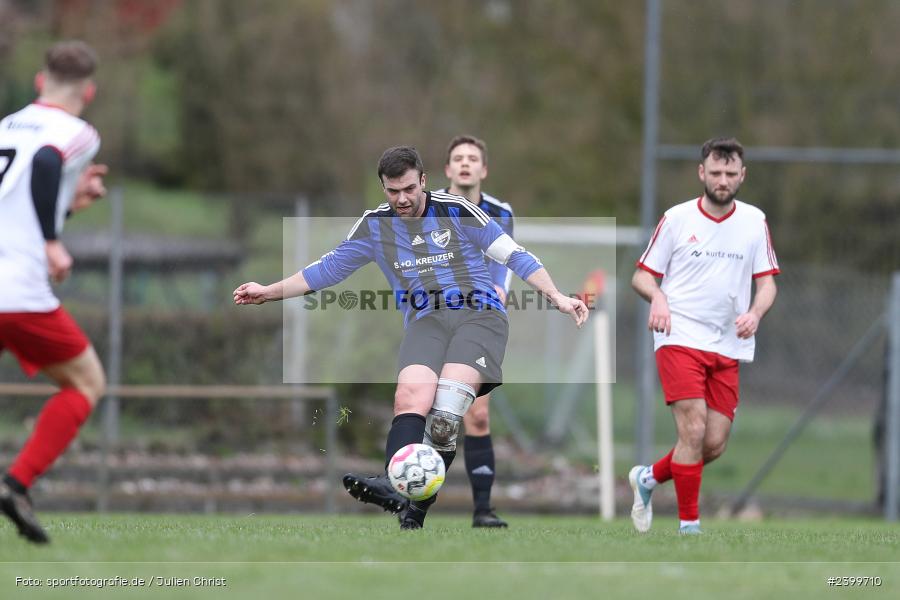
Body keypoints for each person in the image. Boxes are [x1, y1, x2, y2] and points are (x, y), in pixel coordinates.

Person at [234, 146, 588, 530]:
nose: (401, 199)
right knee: (409, 396)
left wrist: (557, 296)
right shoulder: (374, 226)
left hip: (479, 316)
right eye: (392, 191)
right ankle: (392, 484)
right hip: (426, 321)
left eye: (408, 189)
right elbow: (327, 270)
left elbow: (514, 255)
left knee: (445, 414)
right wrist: (268, 291)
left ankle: (415, 508)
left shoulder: (456, 210)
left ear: (423, 180)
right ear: (383, 189)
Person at [628, 137, 778, 534]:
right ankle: (689, 528)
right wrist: (657, 297)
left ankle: (647, 479)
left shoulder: (754, 220)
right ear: (702, 173)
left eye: (731, 173)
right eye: (716, 172)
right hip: (678, 336)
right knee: (692, 430)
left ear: (742, 175)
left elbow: (767, 284)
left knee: (712, 443)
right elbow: (641, 276)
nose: (723, 179)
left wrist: (756, 312)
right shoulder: (677, 218)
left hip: (729, 343)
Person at [0, 40, 108, 544]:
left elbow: (20, 201)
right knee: (85, 384)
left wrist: (71, 204)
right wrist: (50, 242)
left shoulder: (6, 126)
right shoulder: (79, 133)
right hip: (17, 291)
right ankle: (16, 483)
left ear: (39, 81)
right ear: (88, 91)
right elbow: (46, 164)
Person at [440, 135, 513, 528]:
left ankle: (482, 509)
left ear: (483, 169)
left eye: (473, 159)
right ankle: (411, 500)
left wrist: (497, 289)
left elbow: (504, 262)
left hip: (481, 318)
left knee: (477, 414)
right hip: (435, 316)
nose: (465, 164)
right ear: (448, 169)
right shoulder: (430, 207)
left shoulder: (500, 212)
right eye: (458, 158)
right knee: (429, 410)